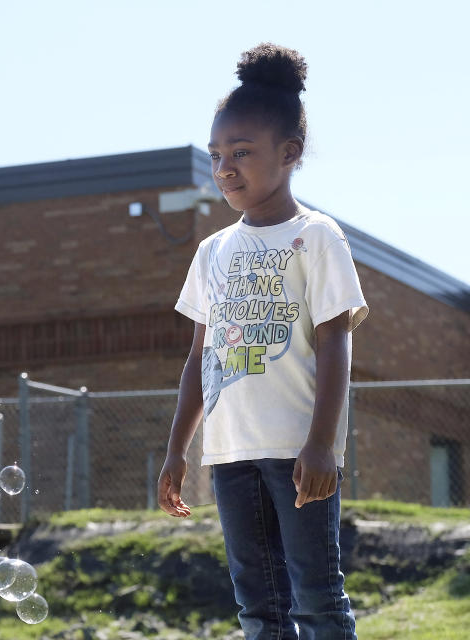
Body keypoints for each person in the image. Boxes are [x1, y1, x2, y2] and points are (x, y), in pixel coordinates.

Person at [157, 43, 367, 639]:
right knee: (258, 605)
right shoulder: (212, 251)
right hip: (230, 455)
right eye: (217, 154)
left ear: (289, 153)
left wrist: (322, 445)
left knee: (317, 597)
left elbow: (335, 342)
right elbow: (200, 357)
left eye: (242, 153)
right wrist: (178, 449)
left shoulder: (317, 237)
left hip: (299, 451)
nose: (225, 167)